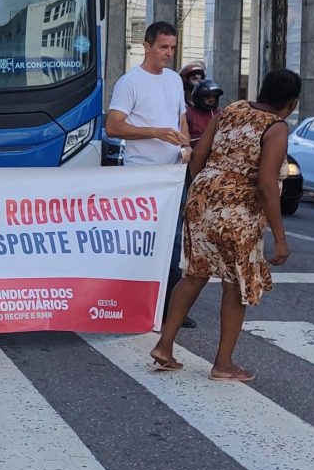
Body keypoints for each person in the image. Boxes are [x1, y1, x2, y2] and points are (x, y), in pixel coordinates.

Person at [151, 69, 301, 381]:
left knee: (193, 275)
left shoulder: (230, 110)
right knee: (235, 286)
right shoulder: (276, 128)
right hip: (238, 212)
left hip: (202, 197)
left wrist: (203, 190)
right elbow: (266, 185)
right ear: (292, 103)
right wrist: (281, 237)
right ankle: (223, 364)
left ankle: (164, 346)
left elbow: (198, 155)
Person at [105, 21, 196, 328]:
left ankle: (172, 305)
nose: (168, 54)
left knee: (174, 242)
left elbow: (181, 120)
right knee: (140, 241)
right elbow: (114, 126)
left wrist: (185, 146)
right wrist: (154, 132)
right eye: (163, 47)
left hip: (173, 174)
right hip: (141, 175)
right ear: (147, 46)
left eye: (172, 47)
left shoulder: (173, 81)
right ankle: (131, 301)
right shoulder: (130, 82)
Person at [186, 79, 224, 147]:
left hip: (216, 151)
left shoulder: (220, 113)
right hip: (195, 152)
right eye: (208, 97)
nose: (211, 100)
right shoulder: (189, 113)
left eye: (213, 97)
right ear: (198, 97)